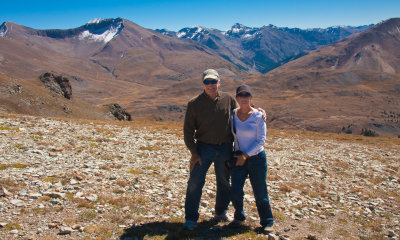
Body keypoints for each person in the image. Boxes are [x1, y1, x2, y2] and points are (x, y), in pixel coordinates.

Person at [183, 69, 237, 230]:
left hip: (225, 147)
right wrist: (194, 152)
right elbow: (187, 131)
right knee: (195, 183)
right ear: (202, 84)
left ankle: (220, 212)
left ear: (219, 82)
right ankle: (191, 218)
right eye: (207, 82)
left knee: (224, 183)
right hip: (203, 148)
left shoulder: (228, 99)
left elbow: (241, 114)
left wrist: (258, 112)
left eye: (214, 81)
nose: (211, 85)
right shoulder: (194, 103)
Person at [229, 84, 274, 230]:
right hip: (238, 158)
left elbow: (261, 140)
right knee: (235, 190)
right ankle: (239, 216)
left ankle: (267, 222)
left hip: (256, 159)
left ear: (251, 98)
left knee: (260, 192)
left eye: (246, 95)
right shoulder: (232, 115)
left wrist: (246, 156)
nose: (244, 98)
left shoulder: (258, 116)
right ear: (236, 98)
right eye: (241, 95)